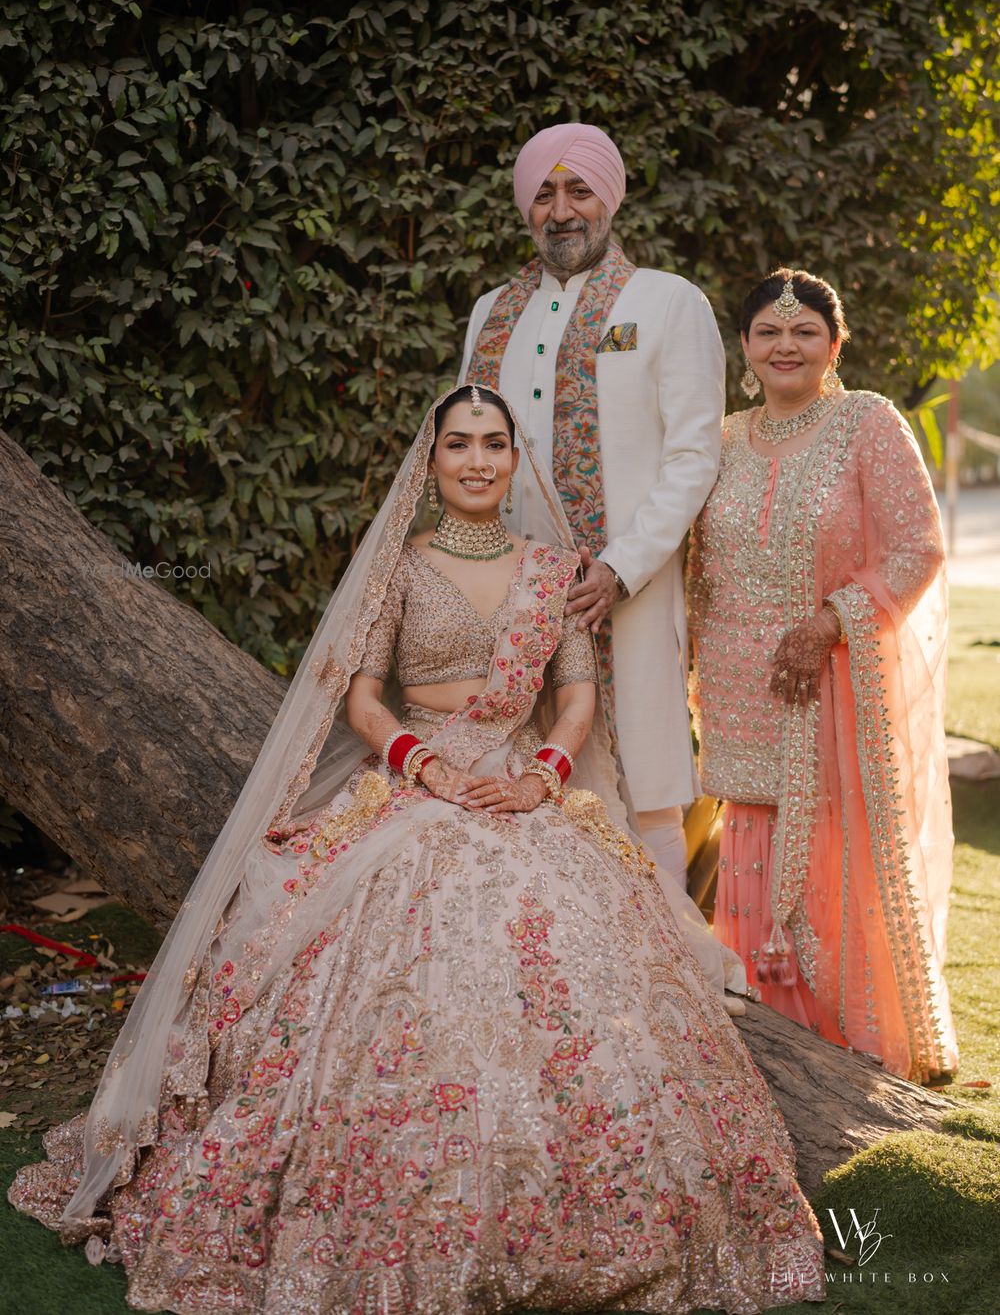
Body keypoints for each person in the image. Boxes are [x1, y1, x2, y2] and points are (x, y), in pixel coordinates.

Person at [11, 385, 824, 1313]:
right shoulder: (399, 568)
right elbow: (363, 700)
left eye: (493, 444)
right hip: (418, 779)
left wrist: (541, 779)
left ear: (514, 459)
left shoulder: (555, 570)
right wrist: (425, 765)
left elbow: (575, 699)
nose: (478, 461)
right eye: (459, 445)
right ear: (431, 462)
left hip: (521, 784)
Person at [687, 269, 958, 1084]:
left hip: (830, 686)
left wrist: (830, 622)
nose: (786, 346)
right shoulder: (720, 438)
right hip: (736, 689)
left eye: (805, 331)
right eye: (769, 331)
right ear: (744, 345)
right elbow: (694, 562)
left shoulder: (866, 422)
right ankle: (765, 1040)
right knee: (749, 845)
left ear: (834, 345)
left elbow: (918, 548)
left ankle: (848, 1040)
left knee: (832, 848)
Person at [461, 123, 726, 892]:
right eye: (544, 194)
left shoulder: (668, 302)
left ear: (608, 197)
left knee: (648, 791)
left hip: (628, 590)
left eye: (578, 190)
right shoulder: (490, 314)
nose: (561, 210)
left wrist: (620, 566)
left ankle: (672, 950)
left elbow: (693, 456)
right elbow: (465, 450)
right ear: (526, 208)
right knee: (515, 779)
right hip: (511, 597)